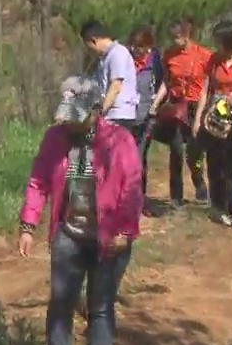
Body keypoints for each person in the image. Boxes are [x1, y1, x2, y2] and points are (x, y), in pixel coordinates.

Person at [19, 75, 142, 345]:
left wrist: (126, 232)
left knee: (100, 304)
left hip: (109, 237)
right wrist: (28, 225)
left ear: (95, 111)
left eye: (78, 116)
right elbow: (38, 181)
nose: (70, 124)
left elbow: (131, 189)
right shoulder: (54, 139)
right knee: (61, 300)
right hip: (69, 232)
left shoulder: (119, 141)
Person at [193, 20, 232, 227]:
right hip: (214, 118)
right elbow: (206, 88)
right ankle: (216, 204)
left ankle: (229, 206)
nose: (216, 46)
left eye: (219, 42)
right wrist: (198, 118)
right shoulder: (214, 60)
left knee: (229, 165)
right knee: (213, 162)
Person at [151, 18, 212, 209]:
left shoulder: (204, 55)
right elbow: (167, 83)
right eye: (172, 37)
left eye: (178, 37)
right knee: (176, 150)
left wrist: (202, 114)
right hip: (177, 107)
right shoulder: (169, 55)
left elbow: (207, 87)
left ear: (187, 35)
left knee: (194, 153)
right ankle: (176, 194)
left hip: (196, 106)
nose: (175, 41)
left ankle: (199, 182)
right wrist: (155, 104)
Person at [126, 25, 163, 206]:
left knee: (139, 158)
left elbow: (164, 85)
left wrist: (155, 106)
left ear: (148, 47)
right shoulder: (126, 61)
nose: (135, 50)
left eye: (139, 47)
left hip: (147, 117)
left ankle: (139, 197)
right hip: (126, 117)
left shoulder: (155, 63)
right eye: (133, 46)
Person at [81, 19, 138, 132]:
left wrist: (99, 113)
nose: (89, 51)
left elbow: (115, 86)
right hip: (108, 116)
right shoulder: (102, 59)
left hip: (119, 116)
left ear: (94, 41)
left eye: (88, 47)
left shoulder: (118, 53)